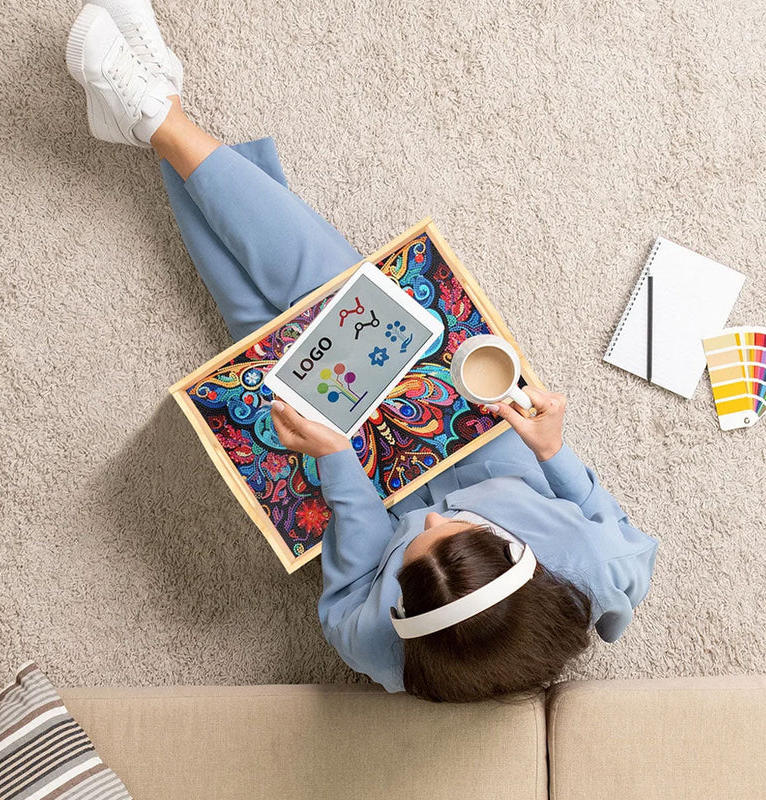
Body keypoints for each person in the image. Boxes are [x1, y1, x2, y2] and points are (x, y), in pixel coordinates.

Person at [65, 0, 659, 703]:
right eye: (461, 532)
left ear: (401, 610)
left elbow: (349, 576)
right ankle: (158, 117)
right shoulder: (599, 566)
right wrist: (554, 449)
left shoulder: (373, 643)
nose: (432, 520)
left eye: (418, 548)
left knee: (264, 341)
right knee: (333, 290)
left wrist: (336, 459)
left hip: (356, 491)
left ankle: (160, 111)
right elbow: (610, 521)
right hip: (475, 439)